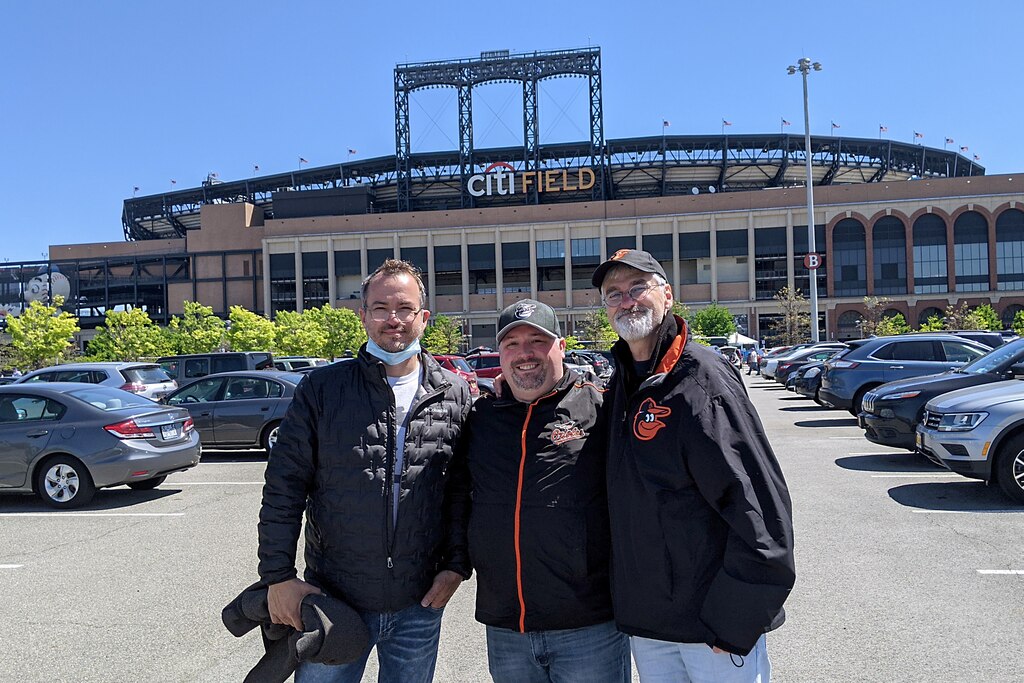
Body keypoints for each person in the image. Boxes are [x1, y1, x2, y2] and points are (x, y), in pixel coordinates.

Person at [257, 259, 473, 683]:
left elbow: (462, 493)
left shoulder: (456, 392)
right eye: (380, 308)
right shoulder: (322, 390)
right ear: (363, 316)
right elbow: (284, 489)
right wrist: (277, 577)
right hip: (334, 599)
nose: (393, 319)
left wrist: (456, 567)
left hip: (419, 602)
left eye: (405, 308)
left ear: (423, 318)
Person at [591, 249, 796, 682]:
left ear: (667, 294)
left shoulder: (702, 379)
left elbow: (760, 505)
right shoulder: (623, 384)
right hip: (652, 624)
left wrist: (736, 617)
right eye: (614, 294)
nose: (626, 302)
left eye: (637, 288)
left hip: (712, 626)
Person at [464, 299, 630, 683]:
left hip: (588, 626)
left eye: (537, 340)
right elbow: (456, 499)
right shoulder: (482, 418)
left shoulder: (600, 408)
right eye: (512, 344)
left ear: (561, 346)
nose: (525, 354)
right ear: (500, 354)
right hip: (506, 626)